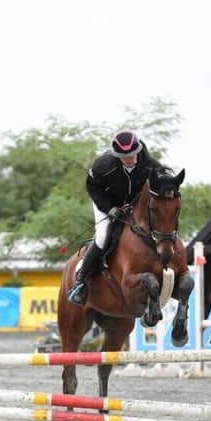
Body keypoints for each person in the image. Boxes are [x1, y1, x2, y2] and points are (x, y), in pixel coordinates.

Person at [67, 129, 167, 306]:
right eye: (123, 156)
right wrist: (109, 208)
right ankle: (80, 281)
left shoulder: (148, 163)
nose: (128, 159)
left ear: (138, 151)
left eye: (132, 155)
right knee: (104, 235)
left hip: (133, 205)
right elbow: (93, 188)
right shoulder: (103, 166)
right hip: (107, 203)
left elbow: (162, 178)